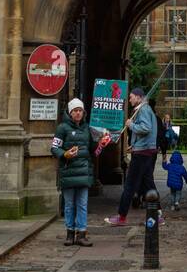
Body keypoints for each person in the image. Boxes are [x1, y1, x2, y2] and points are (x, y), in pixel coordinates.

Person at [104, 87, 159, 227]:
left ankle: (121, 216)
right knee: (148, 185)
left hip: (141, 153)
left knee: (130, 185)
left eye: (131, 97)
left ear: (139, 97)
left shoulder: (143, 110)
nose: (129, 99)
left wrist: (131, 125)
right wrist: (133, 143)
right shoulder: (144, 109)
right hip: (146, 151)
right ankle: (159, 215)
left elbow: (146, 128)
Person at [52, 98, 98, 246]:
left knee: (83, 204)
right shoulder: (62, 128)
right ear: (70, 112)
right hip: (69, 171)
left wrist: (101, 143)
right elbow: (54, 148)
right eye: (75, 111)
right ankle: (70, 233)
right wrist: (64, 154)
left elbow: (92, 149)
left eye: (80, 111)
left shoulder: (87, 128)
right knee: (69, 204)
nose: (78, 113)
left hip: (84, 172)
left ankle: (82, 234)